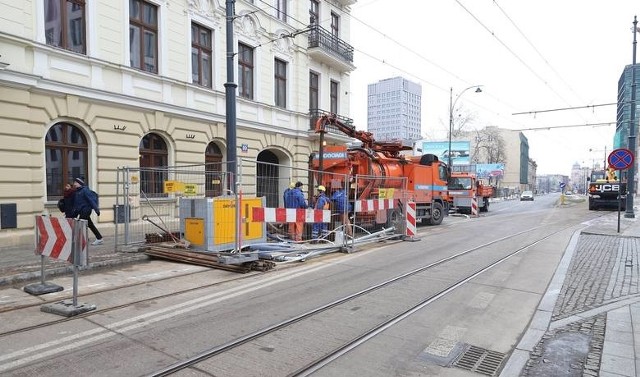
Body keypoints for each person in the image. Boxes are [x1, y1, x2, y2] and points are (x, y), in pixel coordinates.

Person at [72, 177, 103, 245]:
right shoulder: (78, 191)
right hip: (82, 211)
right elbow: (77, 203)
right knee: (90, 224)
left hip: (86, 210)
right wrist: (74, 211)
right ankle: (99, 238)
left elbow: (91, 200)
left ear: (80, 183)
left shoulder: (85, 190)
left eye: (76, 182)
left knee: (80, 224)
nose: (74, 184)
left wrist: (96, 209)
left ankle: (83, 240)